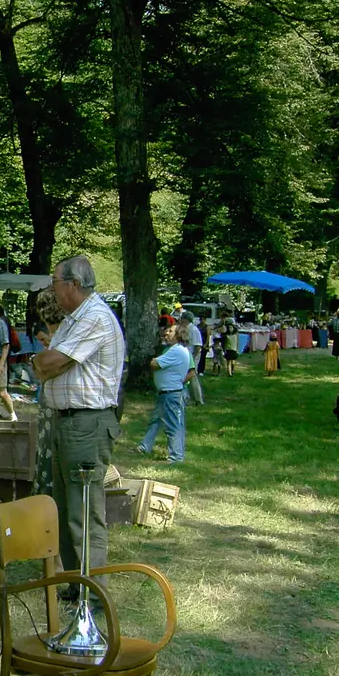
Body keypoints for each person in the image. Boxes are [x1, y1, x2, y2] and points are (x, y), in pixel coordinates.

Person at [31, 255, 125, 595]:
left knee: (84, 510)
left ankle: (92, 591)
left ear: (74, 284)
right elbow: (46, 366)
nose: (52, 289)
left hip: (86, 423)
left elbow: (51, 361)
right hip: (67, 421)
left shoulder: (94, 317)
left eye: (55, 281)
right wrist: (45, 365)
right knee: (65, 506)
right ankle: (75, 583)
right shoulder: (73, 319)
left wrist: (46, 364)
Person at [137, 322, 191, 464]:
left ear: (179, 335)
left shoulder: (176, 350)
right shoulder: (175, 350)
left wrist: (154, 360)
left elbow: (154, 364)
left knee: (173, 425)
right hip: (165, 393)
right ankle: (145, 447)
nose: (167, 333)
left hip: (171, 394)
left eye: (171, 332)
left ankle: (176, 457)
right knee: (155, 421)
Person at [30, 288, 65, 499]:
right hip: (50, 405)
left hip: (57, 408)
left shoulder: (62, 338)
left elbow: (44, 370)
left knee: (50, 456)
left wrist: (39, 362)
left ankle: (49, 499)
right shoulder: (65, 334)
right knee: (45, 453)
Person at [181, 311, 204, 405]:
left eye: (182, 318)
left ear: (186, 319)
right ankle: (186, 397)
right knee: (185, 377)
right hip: (185, 356)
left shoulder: (194, 330)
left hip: (192, 357)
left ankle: (198, 399)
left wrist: (193, 358)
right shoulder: (185, 329)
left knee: (193, 377)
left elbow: (198, 346)